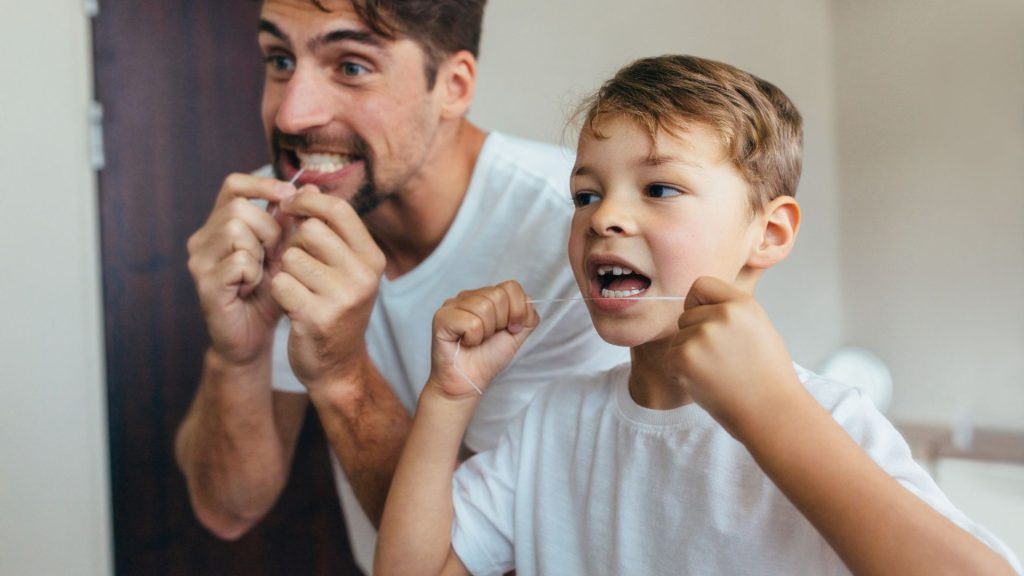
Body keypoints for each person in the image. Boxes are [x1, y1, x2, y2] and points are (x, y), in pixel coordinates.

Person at [375, 55, 1022, 575]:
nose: (604, 217)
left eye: (660, 188)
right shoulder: (550, 424)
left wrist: (772, 413)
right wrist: (448, 397)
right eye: (585, 194)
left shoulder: (829, 419)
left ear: (768, 234)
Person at [174, 0, 628, 572]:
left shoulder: (580, 238)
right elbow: (228, 510)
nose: (292, 116)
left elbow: (501, 561)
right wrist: (235, 355)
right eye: (280, 59)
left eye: (351, 66)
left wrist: (343, 377)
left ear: (454, 86)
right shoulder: (280, 211)